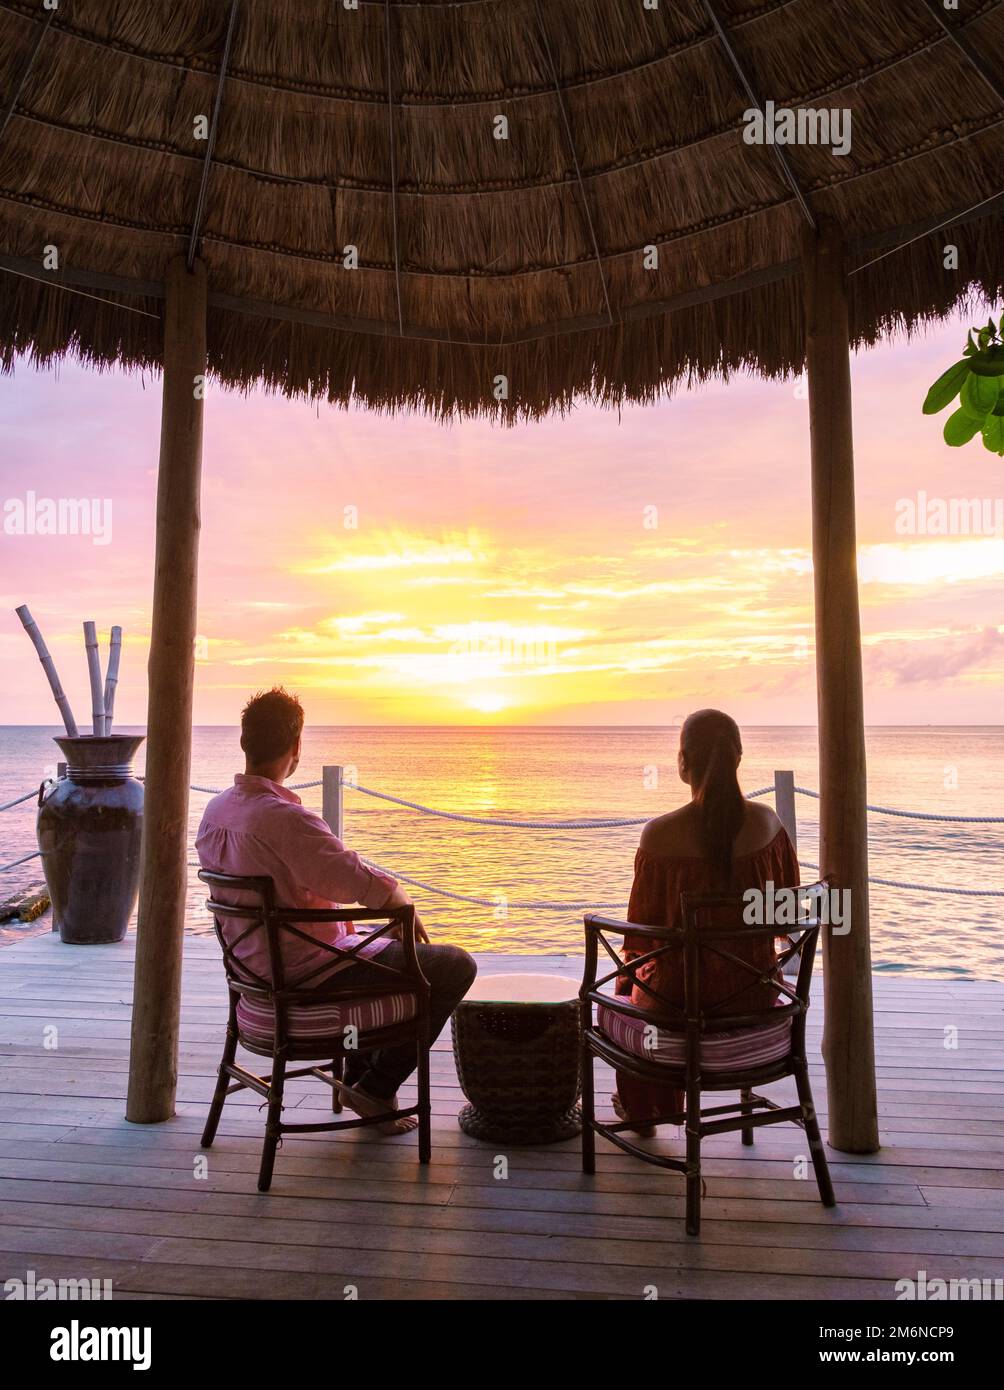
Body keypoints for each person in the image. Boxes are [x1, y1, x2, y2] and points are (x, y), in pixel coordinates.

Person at [196, 687, 476, 1134]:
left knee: (382, 953)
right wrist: (401, 903)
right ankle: (376, 1086)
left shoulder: (216, 812)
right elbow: (353, 879)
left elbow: (334, 869)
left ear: (246, 742)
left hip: (255, 977)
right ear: (297, 747)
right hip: (309, 977)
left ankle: (356, 1080)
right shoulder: (285, 819)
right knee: (453, 966)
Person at [612, 709, 799, 1136]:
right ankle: (652, 1108)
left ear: (682, 763)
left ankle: (647, 1111)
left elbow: (642, 936)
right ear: (738, 758)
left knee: (630, 980)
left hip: (679, 1005)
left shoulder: (659, 835)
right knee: (642, 976)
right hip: (754, 996)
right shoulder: (768, 825)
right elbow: (787, 914)